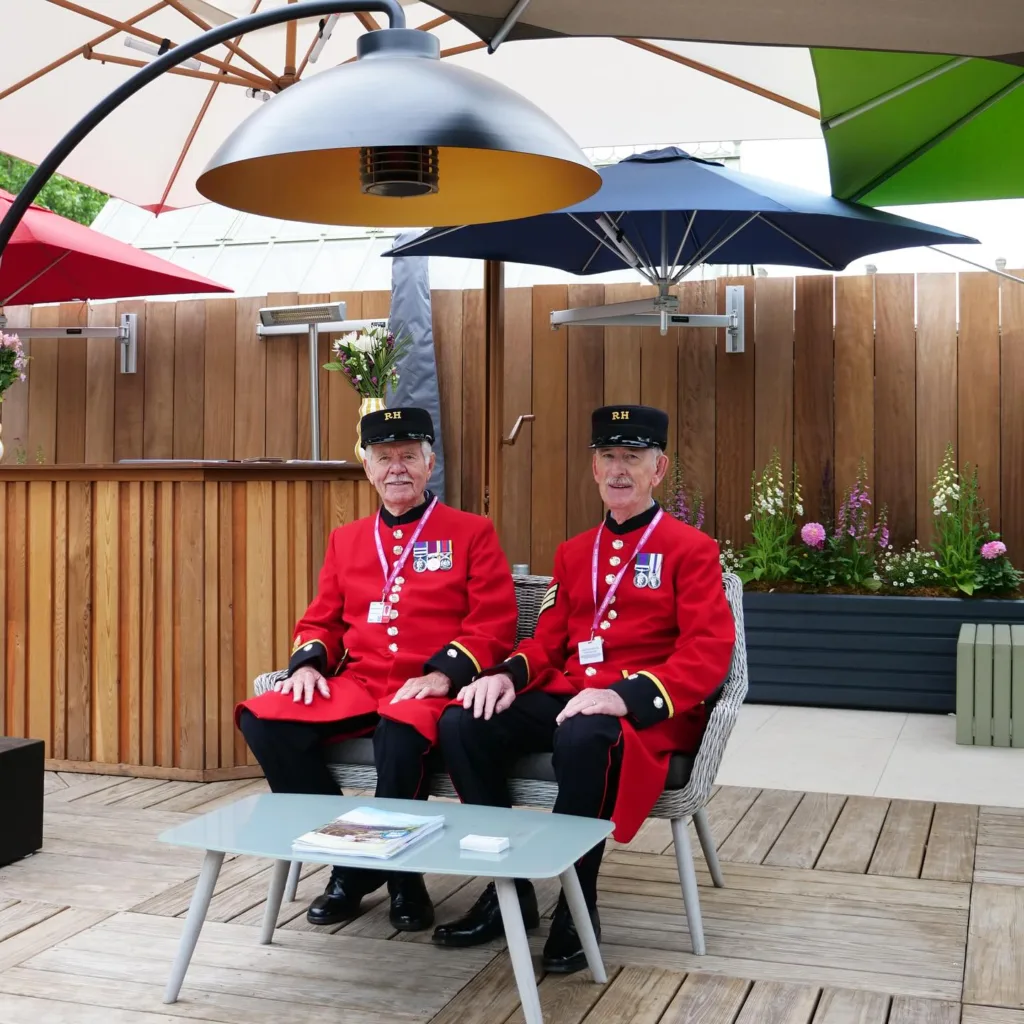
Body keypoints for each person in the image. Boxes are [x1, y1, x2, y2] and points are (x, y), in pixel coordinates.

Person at [431, 404, 736, 972]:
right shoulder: (574, 553)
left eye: (633, 457)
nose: (619, 470)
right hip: (572, 691)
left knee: (585, 736)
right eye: (608, 457)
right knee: (461, 721)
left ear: (659, 467)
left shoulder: (692, 549)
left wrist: (625, 696)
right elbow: (546, 642)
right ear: (594, 468)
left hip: (645, 710)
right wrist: (502, 675)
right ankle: (510, 890)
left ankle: (578, 902)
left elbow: (707, 653)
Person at [236, 406, 517, 933]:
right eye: (384, 458)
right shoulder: (347, 539)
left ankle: (403, 878)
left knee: (400, 733)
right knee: (264, 718)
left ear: (429, 463)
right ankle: (354, 863)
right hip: (360, 683)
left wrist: (442, 676)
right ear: (367, 468)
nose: (396, 468)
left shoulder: (471, 532)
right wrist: (309, 663)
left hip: (429, 688)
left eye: (408, 456)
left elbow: (494, 625)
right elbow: (320, 618)